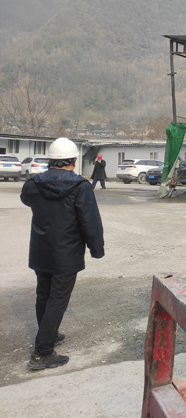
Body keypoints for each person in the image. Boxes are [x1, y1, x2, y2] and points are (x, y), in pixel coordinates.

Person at [20, 137, 105, 371]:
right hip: (66, 253)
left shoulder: (33, 184)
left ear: (50, 160)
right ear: (74, 161)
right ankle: (42, 352)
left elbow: (26, 199)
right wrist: (96, 249)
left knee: (43, 295)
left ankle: (49, 334)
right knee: (57, 299)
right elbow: (90, 221)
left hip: (41, 250)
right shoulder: (80, 187)